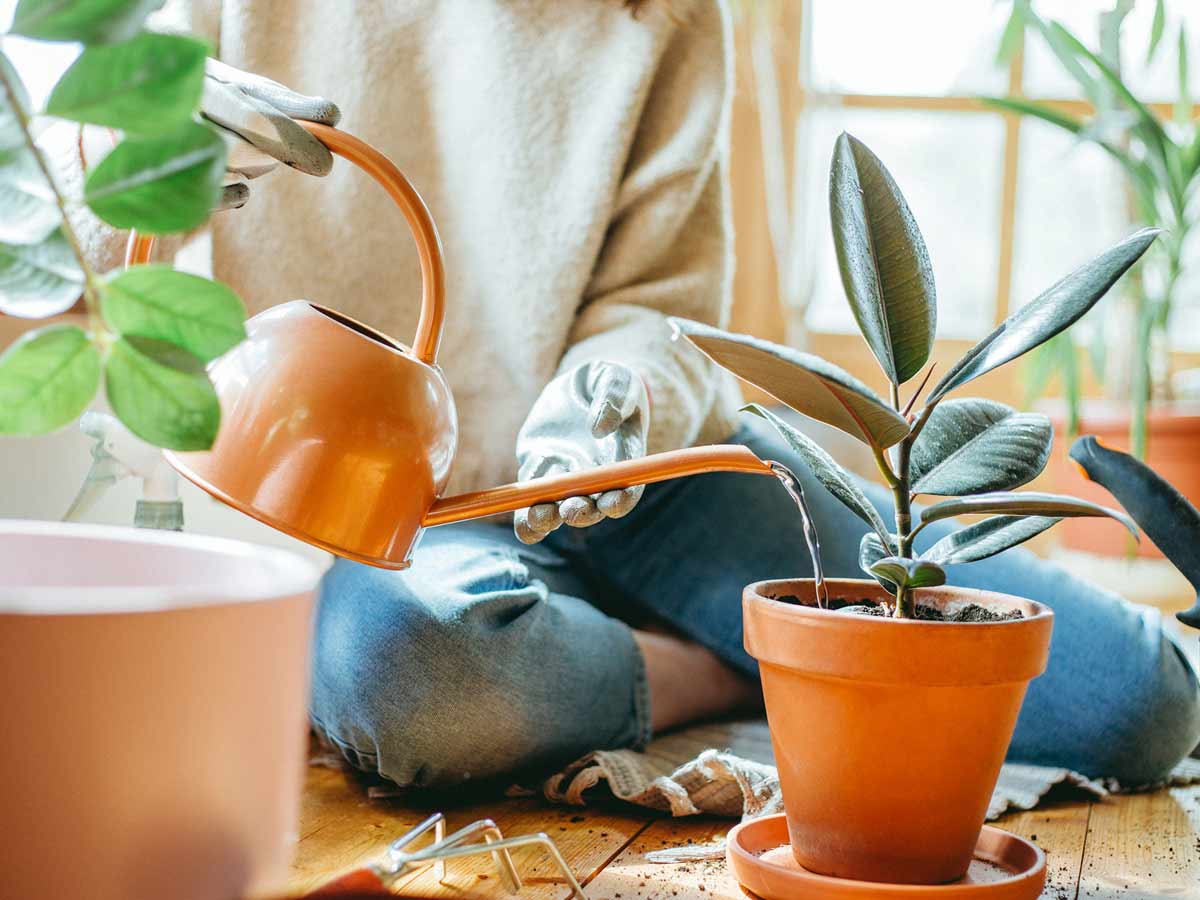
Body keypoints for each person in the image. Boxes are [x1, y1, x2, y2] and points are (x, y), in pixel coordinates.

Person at [79, 0, 1199, 791]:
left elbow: (665, 309)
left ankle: (697, 643)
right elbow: (72, 244)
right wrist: (151, 139)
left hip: (645, 477)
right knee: (408, 681)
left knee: (1132, 702)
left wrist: (610, 397)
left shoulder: (661, 15)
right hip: (405, 520)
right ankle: (724, 666)